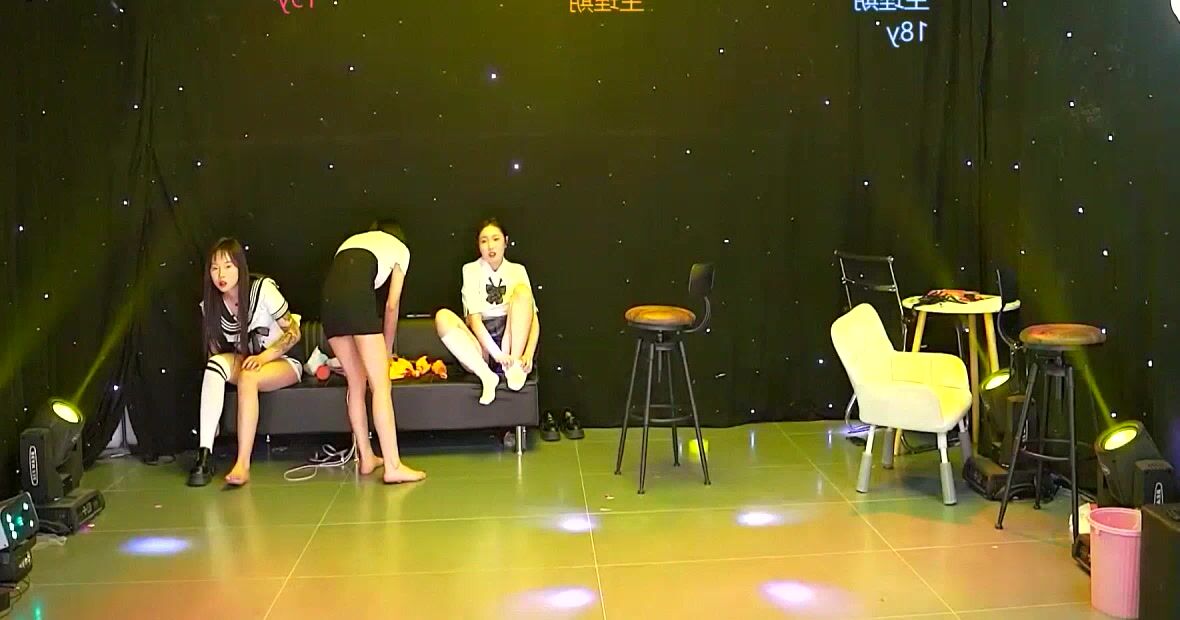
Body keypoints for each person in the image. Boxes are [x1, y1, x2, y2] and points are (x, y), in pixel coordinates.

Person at [189, 238, 303, 487]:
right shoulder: (210, 305)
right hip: (247, 359)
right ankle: (205, 453)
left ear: (240, 267)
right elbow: (215, 352)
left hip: (282, 360)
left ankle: (242, 463)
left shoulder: (262, 290)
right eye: (215, 268)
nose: (221, 275)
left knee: (248, 376)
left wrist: (263, 358)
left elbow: (294, 333)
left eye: (228, 266)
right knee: (215, 365)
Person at [320, 220, 425, 484]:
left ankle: (366, 457)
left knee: (356, 383)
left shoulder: (355, 241)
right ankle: (393, 466)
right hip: (356, 302)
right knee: (380, 386)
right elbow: (391, 305)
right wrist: (387, 349)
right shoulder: (400, 249)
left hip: (329, 304)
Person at [434, 218, 539, 406]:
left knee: (523, 292)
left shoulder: (517, 270)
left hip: (512, 337)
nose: (490, 246)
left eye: (496, 239)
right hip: (482, 343)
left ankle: (514, 366)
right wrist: (497, 354)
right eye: (484, 241)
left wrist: (528, 354)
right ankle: (487, 376)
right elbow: (474, 320)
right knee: (442, 316)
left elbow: (533, 319)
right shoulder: (470, 270)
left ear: (506, 241)